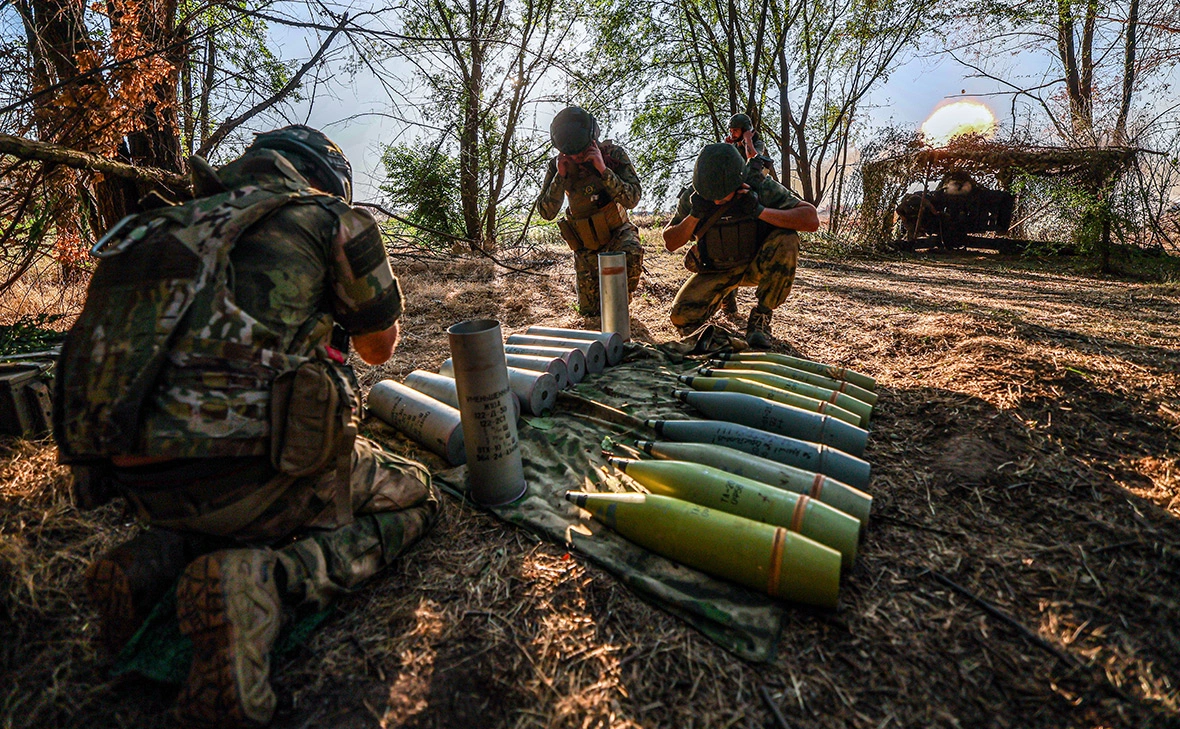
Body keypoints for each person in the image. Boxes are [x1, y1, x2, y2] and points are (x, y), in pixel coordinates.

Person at [53, 125, 439, 728]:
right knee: (415, 494)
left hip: (137, 486)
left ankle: (152, 562)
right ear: (324, 180)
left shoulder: (155, 226)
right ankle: (270, 583)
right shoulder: (329, 217)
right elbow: (379, 349)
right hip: (252, 479)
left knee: (219, 483)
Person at [662, 143, 819, 348]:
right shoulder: (694, 195)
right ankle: (725, 300)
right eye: (711, 194)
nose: (717, 200)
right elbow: (670, 242)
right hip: (717, 269)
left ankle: (761, 318)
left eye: (722, 194)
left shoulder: (759, 185)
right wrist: (694, 215)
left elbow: (811, 219)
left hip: (755, 265)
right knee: (681, 316)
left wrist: (759, 210)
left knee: (787, 239)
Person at [537, 106, 643, 316]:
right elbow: (546, 212)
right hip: (586, 246)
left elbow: (632, 199)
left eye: (580, 151)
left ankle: (620, 304)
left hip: (618, 234)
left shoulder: (613, 155)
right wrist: (560, 177)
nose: (576, 157)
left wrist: (603, 170)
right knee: (591, 314)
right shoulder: (557, 165)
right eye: (570, 153)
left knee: (629, 259)